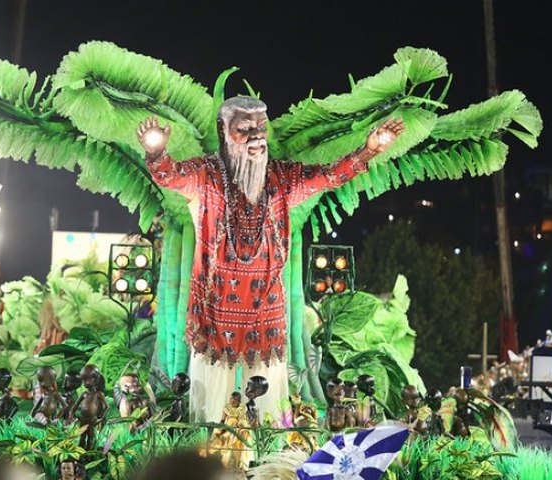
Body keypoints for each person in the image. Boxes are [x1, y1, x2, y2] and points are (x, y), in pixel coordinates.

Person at [137, 97, 404, 422]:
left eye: (261, 128)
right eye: (245, 129)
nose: (257, 136)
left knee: (270, 417)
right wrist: (156, 153)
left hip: (267, 318)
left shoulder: (282, 178)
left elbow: (330, 176)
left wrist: (369, 150)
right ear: (223, 131)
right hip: (215, 318)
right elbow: (171, 176)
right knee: (209, 414)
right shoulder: (206, 176)